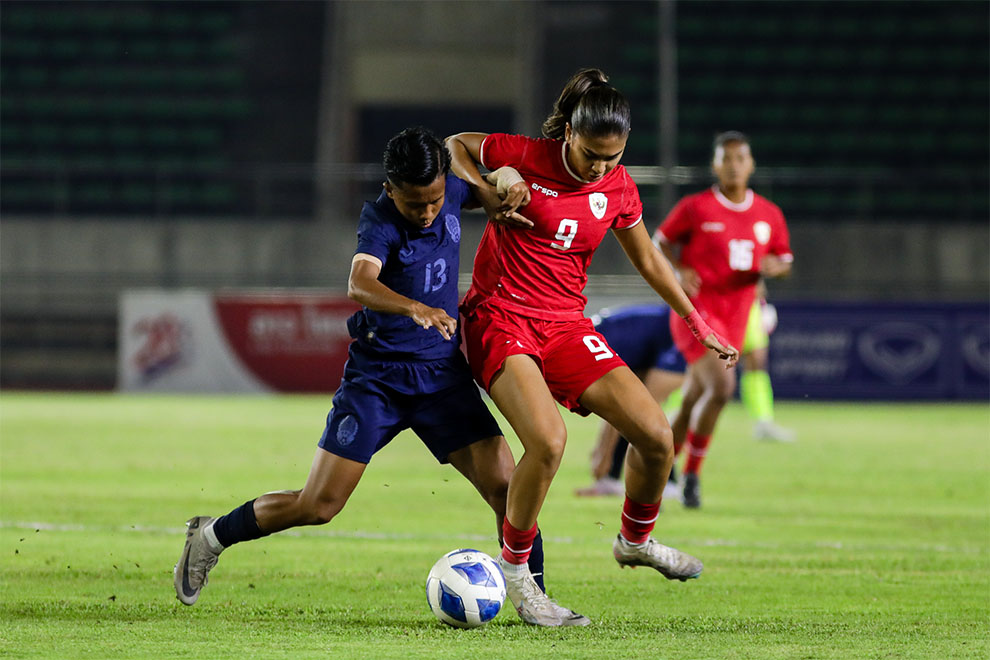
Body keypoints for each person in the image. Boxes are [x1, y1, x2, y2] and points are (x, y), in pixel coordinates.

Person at [172, 127, 583, 626]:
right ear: (391, 190)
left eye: (434, 201)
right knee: (319, 505)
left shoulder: (450, 188)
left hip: (441, 379)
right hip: (379, 380)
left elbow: (488, 184)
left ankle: (532, 596)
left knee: (506, 486)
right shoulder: (380, 221)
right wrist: (415, 308)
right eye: (415, 205)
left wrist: (508, 177)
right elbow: (359, 281)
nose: (428, 212)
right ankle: (211, 535)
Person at [445, 68, 738, 627]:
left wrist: (696, 321)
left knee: (655, 436)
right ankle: (518, 577)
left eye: (613, 156)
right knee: (549, 442)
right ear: (569, 136)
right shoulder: (528, 155)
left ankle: (634, 540)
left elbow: (649, 259)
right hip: (500, 316)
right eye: (589, 154)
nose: (600, 167)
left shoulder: (619, 186)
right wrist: (485, 193)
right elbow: (455, 145)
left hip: (566, 326)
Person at [656, 131, 794, 509]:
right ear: (715, 165)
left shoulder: (768, 213)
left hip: (736, 316)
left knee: (694, 397)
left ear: (750, 165)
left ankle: (663, 460)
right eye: (726, 159)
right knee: (720, 387)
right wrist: (679, 267)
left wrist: (774, 267)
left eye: (740, 158)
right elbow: (659, 242)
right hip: (695, 314)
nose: (733, 165)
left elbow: (784, 260)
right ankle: (693, 475)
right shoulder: (696, 208)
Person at [574, 303, 686, 498]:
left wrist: (603, 455)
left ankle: (662, 481)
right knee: (641, 412)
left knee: (643, 412)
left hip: (663, 337)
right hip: (646, 342)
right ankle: (656, 482)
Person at [740, 282, 796, 442]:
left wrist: (762, 303)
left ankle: (763, 422)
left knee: (756, 365)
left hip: (751, 306)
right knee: (710, 370)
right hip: (725, 304)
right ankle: (679, 413)